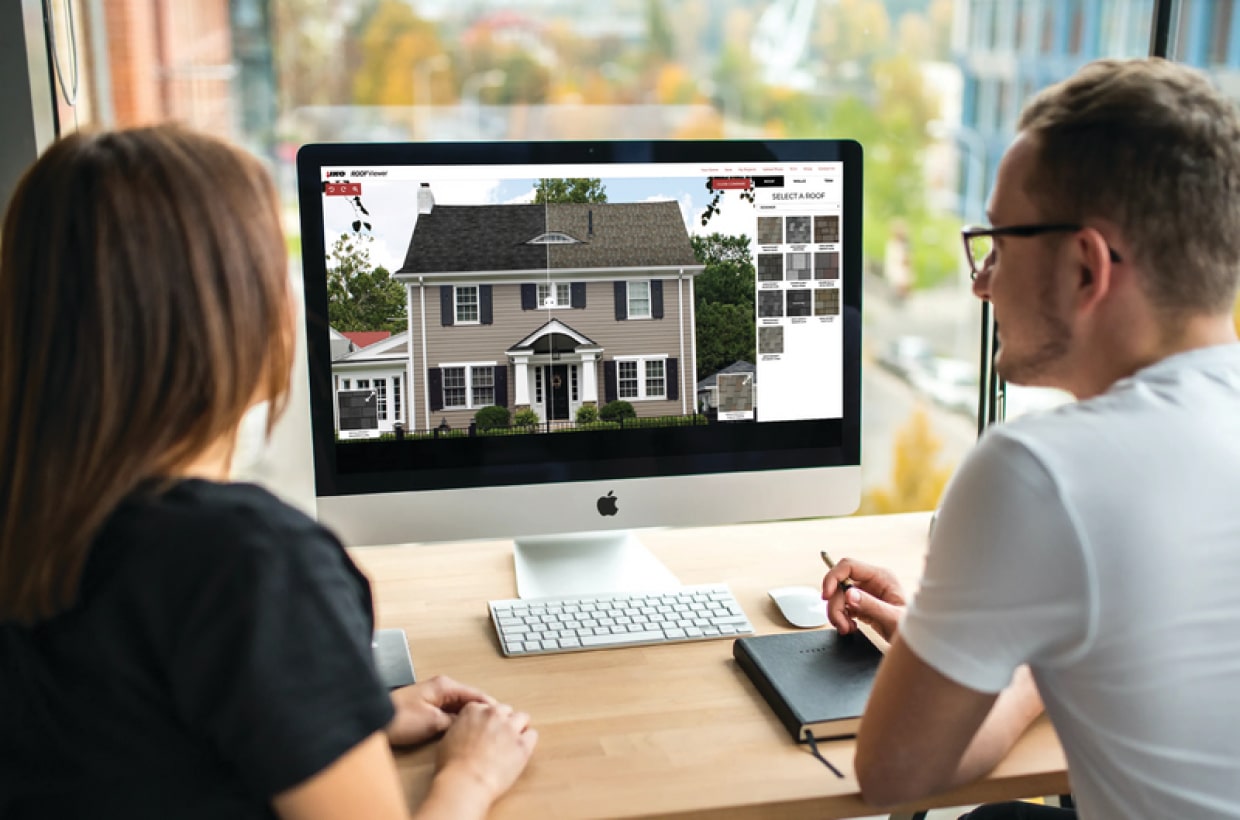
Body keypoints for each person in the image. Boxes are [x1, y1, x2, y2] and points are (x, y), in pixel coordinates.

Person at [0, 124, 537, 819]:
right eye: (272, 270)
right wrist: (470, 774)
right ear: (226, 314)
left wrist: (340, 715)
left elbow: (140, 744)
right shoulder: (248, 563)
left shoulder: (35, 521)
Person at [822, 57, 1240, 819]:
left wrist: (997, 648)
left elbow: (892, 776)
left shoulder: (1040, 471)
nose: (982, 282)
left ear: (1085, 266)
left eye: (1000, 243)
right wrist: (985, 628)